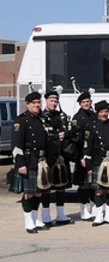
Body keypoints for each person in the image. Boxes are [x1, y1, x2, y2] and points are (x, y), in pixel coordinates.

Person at [9, 91, 50, 233]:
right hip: (28, 160)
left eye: (38, 103)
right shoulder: (21, 120)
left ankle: (35, 218)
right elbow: (16, 145)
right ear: (28, 105)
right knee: (29, 193)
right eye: (34, 103)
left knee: (38, 192)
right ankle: (28, 222)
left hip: (41, 161)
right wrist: (20, 164)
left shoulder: (41, 119)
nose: (37, 105)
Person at [83, 100, 109, 227]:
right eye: (101, 112)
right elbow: (87, 148)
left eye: (106, 111)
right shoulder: (91, 127)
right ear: (97, 113)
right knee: (99, 191)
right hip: (98, 162)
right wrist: (89, 166)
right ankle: (99, 215)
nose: (104, 114)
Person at [39, 89, 73, 226]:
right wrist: (54, 136)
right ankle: (46, 216)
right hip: (48, 156)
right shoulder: (41, 116)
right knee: (46, 187)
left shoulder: (61, 116)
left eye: (55, 101)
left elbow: (69, 132)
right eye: (51, 101)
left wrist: (66, 134)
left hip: (61, 155)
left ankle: (60, 214)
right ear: (46, 101)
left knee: (61, 186)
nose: (54, 103)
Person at [71, 90, 97, 221]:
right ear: (80, 104)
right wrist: (81, 157)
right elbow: (76, 140)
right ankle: (83, 210)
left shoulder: (94, 115)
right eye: (84, 102)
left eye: (88, 101)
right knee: (83, 185)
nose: (86, 104)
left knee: (92, 184)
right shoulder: (77, 118)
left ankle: (93, 208)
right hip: (82, 155)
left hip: (93, 155)